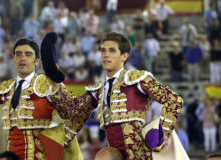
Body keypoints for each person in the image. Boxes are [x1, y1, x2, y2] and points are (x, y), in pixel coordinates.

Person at [47, 32, 184, 159]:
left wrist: (163, 133)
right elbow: (72, 109)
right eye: (103, 50)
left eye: (112, 50)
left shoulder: (136, 79)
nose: (106, 55)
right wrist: (55, 82)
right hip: (113, 154)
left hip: (139, 154)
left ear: (124, 56)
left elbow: (174, 99)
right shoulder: (98, 90)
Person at [0, 38, 89, 159]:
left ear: (37, 61)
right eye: (18, 54)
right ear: (14, 59)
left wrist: (61, 141)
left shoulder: (47, 84)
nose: (22, 58)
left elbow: (80, 109)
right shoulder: (8, 88)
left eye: (28, 54)